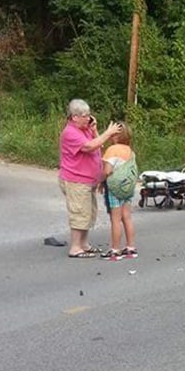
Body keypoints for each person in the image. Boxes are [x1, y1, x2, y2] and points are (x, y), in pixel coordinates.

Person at [59, 99, 121, 258]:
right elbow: (88, 147)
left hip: (88, 180)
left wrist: (94, 130)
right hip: (76, 180)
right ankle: (75, 247)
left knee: (88, 213)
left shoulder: (85, 129)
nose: (88, 118)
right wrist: (108, 133)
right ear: (74, 117)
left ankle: (84, 244)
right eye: (85, 116)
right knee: (79, 213)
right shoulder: (70, 133)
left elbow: (98, 145)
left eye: (88, 115)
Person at [99, 121, 138, 260]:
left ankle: (115, 249)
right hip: (128, 187)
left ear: (116, 135)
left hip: (115, 189)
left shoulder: (112, 150)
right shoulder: (130, 151)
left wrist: (100, 180)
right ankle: (131, 248)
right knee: (127, 217)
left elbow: (108, 170)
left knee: (115, 219)